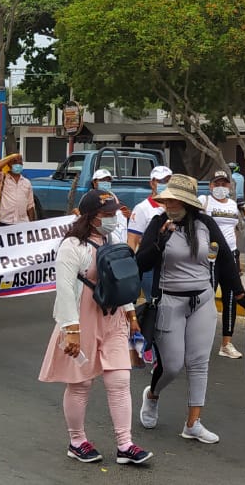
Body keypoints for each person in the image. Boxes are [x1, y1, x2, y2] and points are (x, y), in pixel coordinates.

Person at [136, 174, 245, 444]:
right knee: (172, 365)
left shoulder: (205, 224)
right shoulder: (158, 224)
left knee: (199, 363)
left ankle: (193, 423)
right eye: (167, 200)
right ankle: (152, 395)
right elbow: (141, 262)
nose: (170, 205)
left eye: (175, 201)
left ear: (187, 203)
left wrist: (240, 293)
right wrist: (160, 242)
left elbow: (225, 259)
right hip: (169, 301)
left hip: (202, 300)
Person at [40, 190, 153, 466]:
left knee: (120, 381)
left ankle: (125, 444)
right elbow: (65, 290)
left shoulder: (112, 241)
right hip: (82, 321)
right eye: (107, 214)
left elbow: (121, 282)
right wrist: (71, 330)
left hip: (113, 319)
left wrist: (130, 314)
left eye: (114, 213)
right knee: (81, 384)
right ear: (91, 217)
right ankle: (77, 441)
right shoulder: (71, 246)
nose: (113, 219)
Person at [199, 170, 244, 359]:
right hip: (211, 254)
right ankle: (200, 341)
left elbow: (234, 229)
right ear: (210, 186)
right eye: (217, 184)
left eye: (224, 184)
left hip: (231, 254)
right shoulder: (204, 201)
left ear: (229, 186)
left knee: (231, 297)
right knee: (207, 297)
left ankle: (226, 344)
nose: (220, 187)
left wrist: (236, 253)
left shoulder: (233, 205)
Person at [127, 166, 172, 250]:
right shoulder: (141, 208)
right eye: (160, 181)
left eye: (167, 181)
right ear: (152, 183)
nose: (165, 184)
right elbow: (132, 242)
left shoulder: (176, 207)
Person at [0, 154, 36, 225]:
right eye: (15, 162)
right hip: (5, 221)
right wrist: (11, 157)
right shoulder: (2, 179)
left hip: (22, 222)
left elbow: (30, 205)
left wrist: (32, 224)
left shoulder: (27, 182)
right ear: (9, 164)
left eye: (20, 162)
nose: (18, 164)